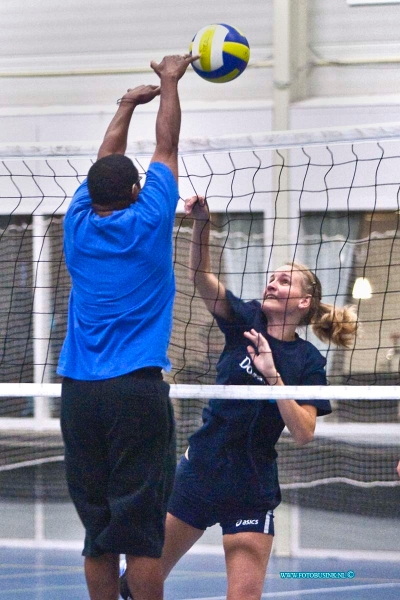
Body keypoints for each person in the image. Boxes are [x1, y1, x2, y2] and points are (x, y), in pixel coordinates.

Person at [120, 194, 359, 600]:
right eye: (272, 276)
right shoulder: (244, 320)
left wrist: (274, 378)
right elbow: (201, 278)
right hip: (200, 473)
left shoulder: (308, 360)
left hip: (251, 485)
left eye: (285, 280)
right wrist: (201, 225)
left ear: (304, 302)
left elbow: (303, 432)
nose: (272, 281)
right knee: (140, 582)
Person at [57, 53, 198, 600]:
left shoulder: (76, 223)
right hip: (135, 391)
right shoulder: (150, 219)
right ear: (138, 192)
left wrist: (124, 106)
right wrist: (168, 83)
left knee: (99, 536)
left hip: (78, 392)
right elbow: (167, 147)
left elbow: (105, 159)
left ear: (90, 197)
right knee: (142, 538)